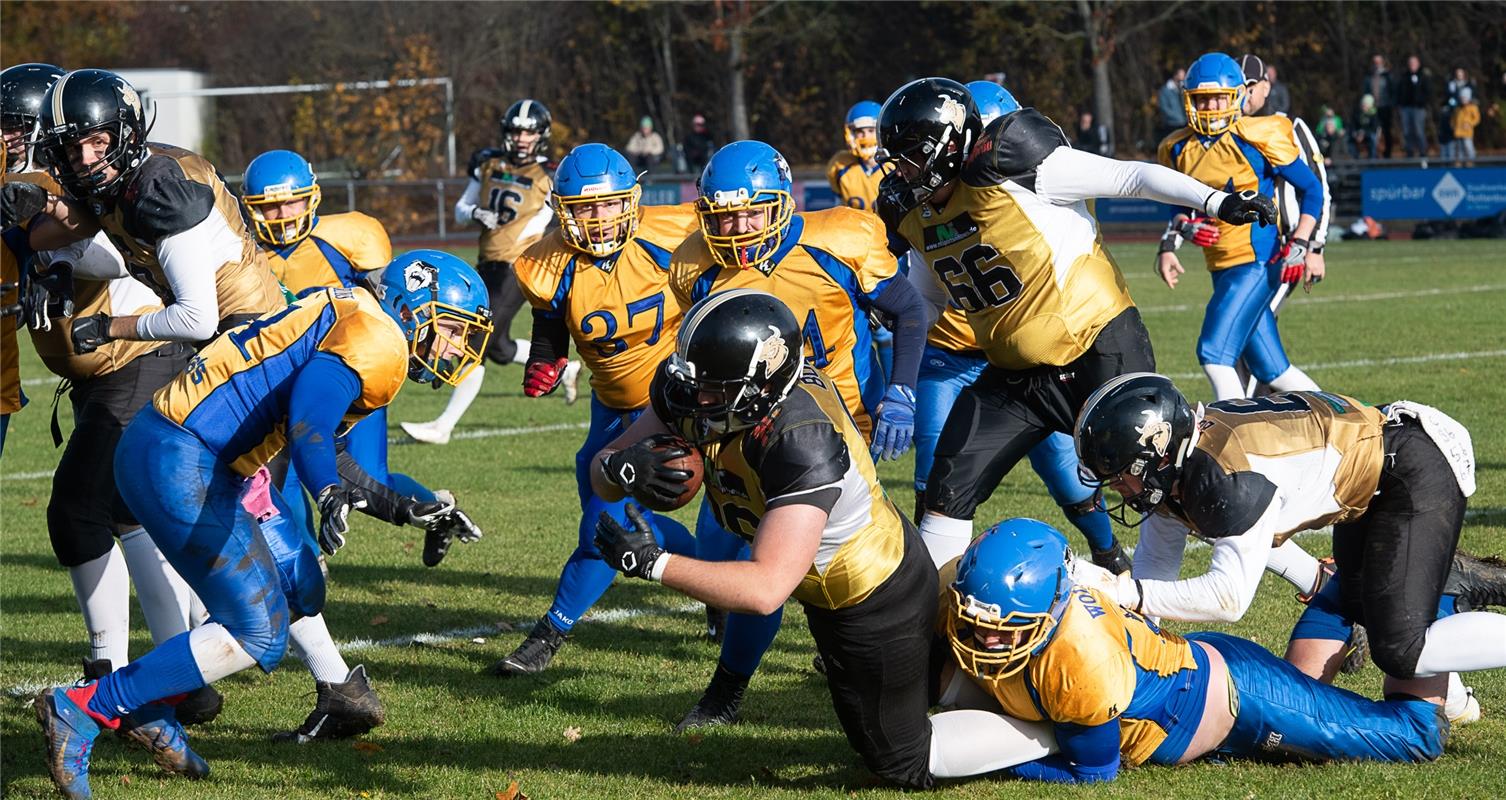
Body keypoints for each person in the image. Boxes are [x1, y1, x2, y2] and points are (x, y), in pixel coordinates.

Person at [33, 250, 491, 799]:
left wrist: (403, 507)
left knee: (302, 586)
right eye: (451, 329)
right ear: (414, 308)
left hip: (203, 457)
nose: (455, 348)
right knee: (257, 632)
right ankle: (85, 708)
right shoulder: (377, 339)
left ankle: (150, 704)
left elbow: (332, 446)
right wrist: (324, 488)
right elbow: (310, 424)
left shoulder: (352, 310)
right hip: (181, 455)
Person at [589, 289, 1056, 789]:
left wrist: (653, 563)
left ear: (760, 389)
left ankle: (1051, 733)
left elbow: (765, 588)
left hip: (874, 594)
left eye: (712, 391)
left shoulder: (801, 438)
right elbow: (602, 470)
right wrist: (622, 467)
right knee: (897, 702)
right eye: (692, 383)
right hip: (824, 583)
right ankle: (990, 694)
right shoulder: (711, 390)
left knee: (900, 764)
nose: (694, 400)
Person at [873, 76, 1274, 570]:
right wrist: (884, 310)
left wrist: (1215, 202)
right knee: (950, 481)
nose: (901, 169)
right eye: (896, 156)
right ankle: (932, 622)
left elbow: (1131, 177)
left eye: (912, 153)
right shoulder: (914, 210)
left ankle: (1302, 576)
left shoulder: (1012, 163)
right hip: (1015, 375)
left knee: (1164, 479)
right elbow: (930, 294)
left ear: (952, 145)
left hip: (1097, 347)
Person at [666, 140, 929, 731]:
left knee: (795, 561)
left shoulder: (840, 240)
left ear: (780, 204)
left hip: (832, 426)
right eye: (722, 214)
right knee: (721, 546)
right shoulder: (695, 263)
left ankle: (728, 690)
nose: (735, 227)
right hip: (739, 421)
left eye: (750, 211)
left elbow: (910, 312)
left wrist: (902, 392)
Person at [1072, 373, 1506, 709]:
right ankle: (1456, 696)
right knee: (1357, 606)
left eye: (1121, 473)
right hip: (1369, 480)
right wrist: (1120, 647)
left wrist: (1120, 590)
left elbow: (1228, 598)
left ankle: (1448, 587)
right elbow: (1154, 576)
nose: (1117, 488)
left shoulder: (1223, 476)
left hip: (1407, 467)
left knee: (1400, 650)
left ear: (1159, 451)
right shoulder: (1181, 469)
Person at [937, 519, 1451, 784]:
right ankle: (1338, 594)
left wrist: (994, 759)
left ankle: (1438, 592)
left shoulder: (1080, 659)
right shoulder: (963, 593)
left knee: (1416, 734)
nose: (988, 640)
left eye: (1007, 628)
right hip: (1194, 672)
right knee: (1311, 695)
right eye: (977, 622)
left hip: (1238, 697)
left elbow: (1093, 772)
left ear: (1051, 608)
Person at [241, 148, 465, 742]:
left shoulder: (351, 240)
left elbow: (392, 307)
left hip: (343, 379)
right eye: (270, 205)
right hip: (276, 391)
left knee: (357, 474)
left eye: (292, 200)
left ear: (313, 197)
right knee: (282, 508)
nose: (284, 215)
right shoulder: (240, 251)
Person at [489, 143, 700, 677]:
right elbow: (551, 322)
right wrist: (545, 358)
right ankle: (713, 583)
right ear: (563, 209)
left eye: (608, 204)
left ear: (631, 200)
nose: (599, 218)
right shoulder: (548, 261)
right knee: (622, 509)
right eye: (585, 208)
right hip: (609, 405)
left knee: (601, 525)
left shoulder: (673, 237)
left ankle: (550, 633)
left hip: (669, 404)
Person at [909, 79, 1130, 571]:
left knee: (1068, 476)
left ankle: (1111, 554)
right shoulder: (933, 198)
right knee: (935, 477)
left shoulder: (1025, 186)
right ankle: (926, 596)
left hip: (1017, 362)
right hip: (948, 355)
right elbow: (920, 292)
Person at [18, 69, 286, 348]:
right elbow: (89, 223)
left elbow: (197, 319)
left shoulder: (157, 187)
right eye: (72, 148)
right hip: (226, 329)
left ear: (128, 135)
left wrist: (108, 327)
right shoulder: (116, 174)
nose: (86, 159)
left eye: (98, 142)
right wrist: (62, 263)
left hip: (250, 328)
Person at [403, 99, 577, 445]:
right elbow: (460, 210)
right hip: (487, 262)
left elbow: (560, 218)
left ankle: (443, 427)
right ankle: (567, 367)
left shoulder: (551, 173)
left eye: (528, 131)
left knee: (476, 340)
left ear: (541, 135)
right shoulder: (488, 162)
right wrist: (477, 214)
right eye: (516, 131)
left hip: (519, 265)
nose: (522, 138)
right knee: (498, 347)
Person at [1156, 52, 1325, 402]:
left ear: (1237, 96)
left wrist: (1303, 242)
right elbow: (1177, 203)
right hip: (1220, 265)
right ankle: (1344, 419)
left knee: (1214, 354)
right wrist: (1178, 233)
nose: (1212, 106)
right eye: (1203, 99)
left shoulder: (1260, 135)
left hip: (1258, 263)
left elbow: (1312, 189)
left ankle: (1234, 442)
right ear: (1189, 100)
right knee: (1272, 370)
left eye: (1219, 97)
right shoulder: (1176, 148)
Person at [825, 101, 892, 212]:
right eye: (860, 131)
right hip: (855, 228)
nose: (865, 137)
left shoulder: (896, 166)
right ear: (850, 134)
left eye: (871, 130)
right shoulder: (839, 165)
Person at [1398, 55, 1431, 158]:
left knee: (1418, 130)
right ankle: (1409, 153)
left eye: (1414, 63)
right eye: (1410, 63)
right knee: (1407, 131)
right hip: (1406, 107)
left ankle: (1423, 153)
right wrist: (1400, 103)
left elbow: (1428, 92)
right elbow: (1399, 91)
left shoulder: (1423, 76)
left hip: (1418, 108)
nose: (1412, 65)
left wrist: (1422, 102)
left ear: (1418, 64)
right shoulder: (1404, 76)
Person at [1364, 54, 1397, 158]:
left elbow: (1393, 90)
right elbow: (1366, 91)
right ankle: (1373, 153)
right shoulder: (1369, 76)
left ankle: (1388, 153)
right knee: (1373, 131)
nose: (1377, 64)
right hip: (1373, 108)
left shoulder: (1388, 75)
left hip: (1385, 107)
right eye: (1375, 62)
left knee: (1387, 131)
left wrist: (1392, 104)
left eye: (1379, 61)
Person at [1450, 87, 1480, 166]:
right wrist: (1453, 126)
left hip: (1467, 132)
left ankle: (1471, 162)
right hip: (1458, 132)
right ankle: (1459, 163)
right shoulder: (1458, 109)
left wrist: (1469, 124)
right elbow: (1453, 119)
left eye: (1465, 98)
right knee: (1459, 149)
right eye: (1462, 98)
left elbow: (1477, 119)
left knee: (1468, 147)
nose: (1463, 99)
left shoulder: (1472, 107)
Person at [1157, 67, 1188, 141]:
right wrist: (1178, 118)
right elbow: (1164, 107)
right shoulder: (1165, 90)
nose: (1183, 78)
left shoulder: (1184, 89)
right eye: (1181, 75)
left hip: (1184, 124)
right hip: (1171, 125)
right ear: (1175, 75)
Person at [1352, 93, 1381, 159]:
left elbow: (1374, 128)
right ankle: (1355, 159)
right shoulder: (1357, 113)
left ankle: (1372, 160)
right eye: (1363, 104)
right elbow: (1353, 125)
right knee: (1349, 140)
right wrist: (1356, 134)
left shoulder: (1374, 114)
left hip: (1369, 134)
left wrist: (1364, 134)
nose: (1364, 106)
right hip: (1358, 134)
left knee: (1372, 139)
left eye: (1366, 104)